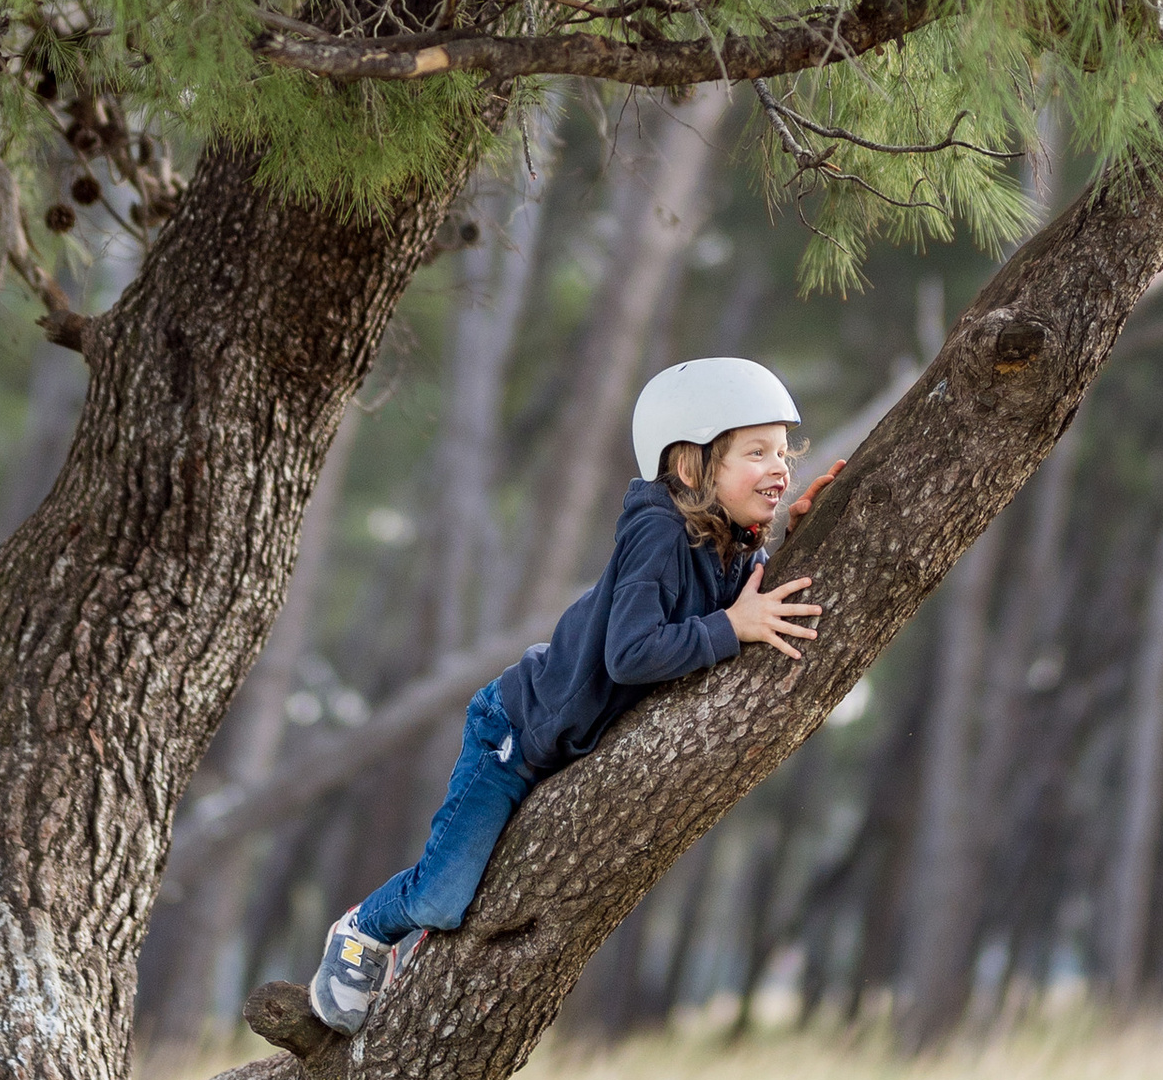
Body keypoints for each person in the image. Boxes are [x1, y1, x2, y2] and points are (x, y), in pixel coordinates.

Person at [306, 355, 840, 1035]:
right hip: (516, 734)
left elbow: (746, 592)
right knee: (445, 897)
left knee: (491, 892)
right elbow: (632, 651)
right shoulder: (657, 531)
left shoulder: (728, 541)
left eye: (784, 451)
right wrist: (733, 629)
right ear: (690, 467)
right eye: (756, 452)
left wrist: (799, 535)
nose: (781, 467)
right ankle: (364, 930)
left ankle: (423, 948)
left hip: (568, 746)